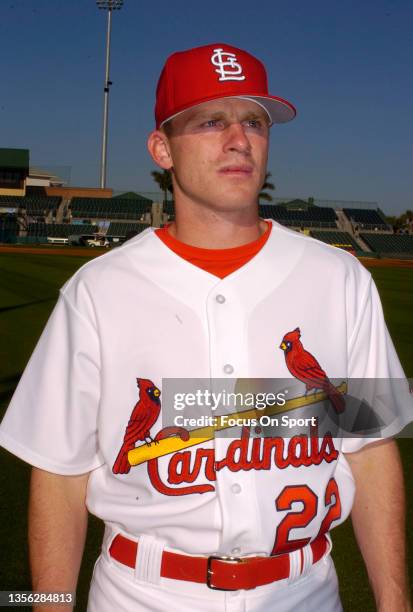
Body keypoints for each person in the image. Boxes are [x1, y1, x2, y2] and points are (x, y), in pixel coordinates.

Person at [0, 43, 411, 612]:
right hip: (142, 594)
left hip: (305, 592)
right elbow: (60, 476)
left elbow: (370, 449)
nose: (239, 139)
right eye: (211, 121)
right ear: (161, 149)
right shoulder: (98, 291)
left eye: (254, 122)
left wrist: (396, 603)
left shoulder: (339, 279)